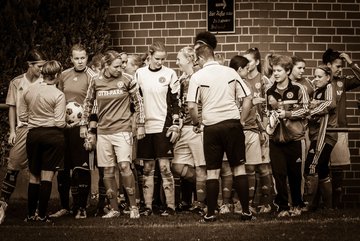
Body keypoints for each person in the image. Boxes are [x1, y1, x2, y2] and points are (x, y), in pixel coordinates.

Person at [187, 44, 253, 222]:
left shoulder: (197, 76)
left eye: (196, 59)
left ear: (201, 58)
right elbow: (248, 97)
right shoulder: (230, 72)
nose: (195, 62)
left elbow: (192, 106)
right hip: (232, 124)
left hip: (211, 126)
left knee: (213, 171)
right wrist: (242, 119)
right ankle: (246, 211)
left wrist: (196, 122)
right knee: (239, 168)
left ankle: (210, 214)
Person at [80, 50, 145, 219]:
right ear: (106, 66)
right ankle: (114, 208)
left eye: (122, 65)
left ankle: (133, 207)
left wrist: (141, 124)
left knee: (124, 166)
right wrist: (84, 126)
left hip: (123, 130)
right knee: (108, 170)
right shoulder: (96, 81)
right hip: (103, 132)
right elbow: (87, 104)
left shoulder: (127, 80)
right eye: (116, 66)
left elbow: (139, 103)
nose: (120, 68)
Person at [0, 49, 46, 224]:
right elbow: (11, 107)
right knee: (13, 165)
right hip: (23, 129)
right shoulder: (16, 82)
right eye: (39, 66)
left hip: (40, 128)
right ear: (30, 65)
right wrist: (12, 131)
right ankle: (2, 204)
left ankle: (36, 209)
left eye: (43, 66)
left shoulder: (46, 82)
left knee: (38, 170)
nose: (42, 70)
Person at [134, 41, 180, 216]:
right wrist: (138, 123)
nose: (160, 62)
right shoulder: (140, 73)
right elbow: (135, 100)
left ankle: (170, 206)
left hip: (163, 125)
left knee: (165, 167)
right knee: (147, 168)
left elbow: (176, 101)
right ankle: (147, 206)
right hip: (145, 125)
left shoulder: (170, 73)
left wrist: (175, 123)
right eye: (157, 58)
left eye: (163, 59)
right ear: (150, 55)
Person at [52, 44, 97, 219]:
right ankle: (64, 206)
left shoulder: (93, 76)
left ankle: (81, 208)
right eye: (76, 58)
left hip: (82, 128)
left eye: (83, 58)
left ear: (87, 58)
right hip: (64, 127)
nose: (80, 61)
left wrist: (87, 125)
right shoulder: (63, 75)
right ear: (71, 59)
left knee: (81, 167)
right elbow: (58, 98)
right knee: (63, 168)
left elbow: (94, 103)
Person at [19, 60, 66, 222]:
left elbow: (22, 117)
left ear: (43, 73)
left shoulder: (28, 91)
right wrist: (71, 123)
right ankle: (42, 215)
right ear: (58, 75)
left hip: (33, 135)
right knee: (47, 177)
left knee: (34, 177)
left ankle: (30, 215)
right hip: (53, 136)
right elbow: (60, 122)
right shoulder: (58, 95)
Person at [266, 55, 309, 217]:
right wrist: (269, 124)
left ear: (288, 71)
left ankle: (297, 204)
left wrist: (287, 113)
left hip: (295, 139)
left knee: (295, 175)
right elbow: (266, 112)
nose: (275, 73)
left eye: (279, 70)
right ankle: (283, 207)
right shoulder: (269, 91)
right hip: (276, 140)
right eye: (274, 70)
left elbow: (306, 110)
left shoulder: (298, 89)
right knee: (279, 174)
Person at [322, 49, 360, 209]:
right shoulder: (319, 80)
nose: (340, 69)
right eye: (337, 66)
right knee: (320, 167)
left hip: (339, 129)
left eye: (341, 66)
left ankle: (335, 205)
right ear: (328, 65)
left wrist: (351, 63)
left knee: (337, 169)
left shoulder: (342, 82)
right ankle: (320, 203)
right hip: (322, 130)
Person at [173, 46, 207, 214]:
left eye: (179, 59)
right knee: (177, 165)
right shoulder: (181, 80)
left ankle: (201, 203)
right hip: (183, 127)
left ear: (189, 59)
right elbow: (180, 105)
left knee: (201, 165)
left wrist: (199, 122)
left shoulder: (199, 78)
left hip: (197, 127)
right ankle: (207, 185)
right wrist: (177, 124)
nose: (177, 62)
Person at [243, 48, 274, 214]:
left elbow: (269, 107)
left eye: (248, 61)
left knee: (263, 166)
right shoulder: (241, 80)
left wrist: (265, 128)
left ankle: (266, 202)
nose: (246, 64)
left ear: (256, 62)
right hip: (248, 126)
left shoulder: (263, 80)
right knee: (248, 167)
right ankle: (250, 203)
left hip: (261, 126)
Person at [304, 65, 337, 211]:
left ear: (328, 77)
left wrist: (312, 111)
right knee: (322, 169)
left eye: (319, 76)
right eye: (315, 76)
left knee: (311, 165)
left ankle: (309, 204)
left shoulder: (329, 87)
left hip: (326, 134)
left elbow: (330, 103)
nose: (315, 79)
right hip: (316, 135)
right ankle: (328, 206)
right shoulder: (316, 91)